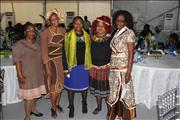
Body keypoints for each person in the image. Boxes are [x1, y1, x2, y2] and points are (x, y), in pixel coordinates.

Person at [12, 23, 46, 120]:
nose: (31, 32)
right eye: (29, 30)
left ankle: (34, 110)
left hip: (37, 74)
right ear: (24, 32)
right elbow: (17, 61)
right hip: (27, 75)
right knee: (29, 97)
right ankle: (27, 117)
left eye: (33, 30)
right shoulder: (19, 45)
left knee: (35, 94)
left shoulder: (36, 44)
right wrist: (20, 75)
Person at [107, 10, 136, 120]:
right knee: (114, 92)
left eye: (122, 21)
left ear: (126, 22)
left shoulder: (129, 33)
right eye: (117, 20)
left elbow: (131, 55)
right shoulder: (116, 32)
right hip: (114, 68)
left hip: (123, 69)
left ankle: (125, 117)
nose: (119, 22)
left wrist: (129, 72)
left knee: (124, 93)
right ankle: (116, 116)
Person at [64, 16, 92, 118]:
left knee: (84, 87)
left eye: (80, 23)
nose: (78, 25)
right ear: (73, 24)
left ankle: (84, 103)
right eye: (76, 23)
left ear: (83, 24)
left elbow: (90, 50)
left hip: (84, 65)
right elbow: (64, 52)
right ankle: (71, 107)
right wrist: (65, 67)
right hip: (72, 66)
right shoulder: (68, 36)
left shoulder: (87, 36)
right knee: (71, 87)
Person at [40, 8, 65, 118]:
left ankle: (57, 103)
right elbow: (44, 51)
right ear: (49, 21)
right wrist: (47, 68)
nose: (55, 22)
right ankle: (53, 107)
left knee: (60, 85)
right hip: (51, 62)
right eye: (52, 20)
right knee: (54, 86)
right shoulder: (45, 33)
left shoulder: (62, 30)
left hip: (61, 61)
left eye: (56, 19)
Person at [89, 16, 111, 115]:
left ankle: (109, 109)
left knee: (106, 91)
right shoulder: (91, 38)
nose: (100, 28)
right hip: (94, 68)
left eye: (103, 26)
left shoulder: (110, 39)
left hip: (106, 69)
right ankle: (98, 107)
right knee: (97, 90)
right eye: (98, 26)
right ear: (95, 27)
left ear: (107, 28)